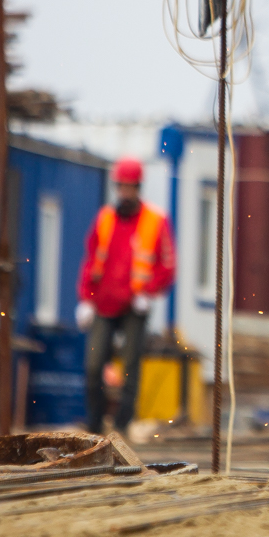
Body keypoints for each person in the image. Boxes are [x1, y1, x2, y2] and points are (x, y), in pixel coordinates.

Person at [76, 158, 176, 436]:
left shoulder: (156, 221)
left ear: (138, 188)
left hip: (135, 305)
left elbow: (167, 265)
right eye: (121, 187)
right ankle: (95, 424)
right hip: (104, 303)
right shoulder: (105, 219)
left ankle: (121, 425)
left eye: (130, 188)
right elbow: (91, 260)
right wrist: (85, 299)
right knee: (94, 366)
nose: (125, 193)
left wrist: (149, 291)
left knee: (130, 366)